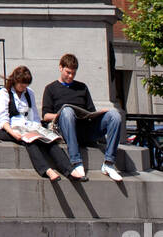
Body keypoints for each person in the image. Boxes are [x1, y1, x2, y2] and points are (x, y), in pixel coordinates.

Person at [41, 53, 124, 181]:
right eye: (68, 72)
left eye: (73, 73)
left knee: (114, 115)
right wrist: (62, 114)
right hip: (65, 128)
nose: (70, 76)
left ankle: (109, 163)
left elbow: (91, 111)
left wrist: (100, 113)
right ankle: (76, 162)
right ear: (60, 68)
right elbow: (45, 115)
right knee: (67, 111)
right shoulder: (51, 88)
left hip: (86, 128)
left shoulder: (82, 87)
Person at [0, 65, 74, 182]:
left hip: (28, 126)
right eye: (22, 85)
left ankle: (69, 169)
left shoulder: (29, 93)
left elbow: (35, 117)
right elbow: (3, 119)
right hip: (9, 128)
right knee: (30, 142)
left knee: (50, 142)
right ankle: (46, 169)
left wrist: (39, 131)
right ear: (15, 81)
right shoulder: (4, 93)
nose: (23, 88)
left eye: (26, 86)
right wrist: (13, 133)